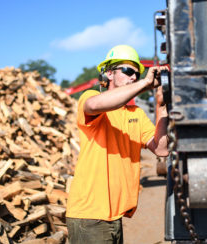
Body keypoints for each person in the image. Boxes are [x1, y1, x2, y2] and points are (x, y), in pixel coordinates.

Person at [66, 45, 169, 244]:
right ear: (110, 74)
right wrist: (145, 83)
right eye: (128, 70)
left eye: (137, 74)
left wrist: (161, 106)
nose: (133, 77)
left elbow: (161, 148)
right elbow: (95, 106)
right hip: (90, 214)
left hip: (115, 215)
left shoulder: (136, 115)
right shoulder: (90, 99)